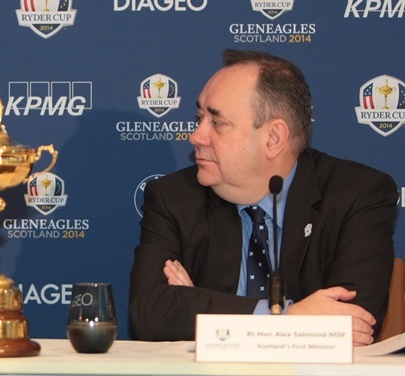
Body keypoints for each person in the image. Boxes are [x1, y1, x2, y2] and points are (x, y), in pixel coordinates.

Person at [129, 49, 397, 346]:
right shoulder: (173, 197)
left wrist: (201, 309)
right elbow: (150, 312)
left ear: (273, 138)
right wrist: (287, 318)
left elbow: (353, 324)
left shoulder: (357, 194)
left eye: (216, 123)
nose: (195, 136)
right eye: (199, 118)